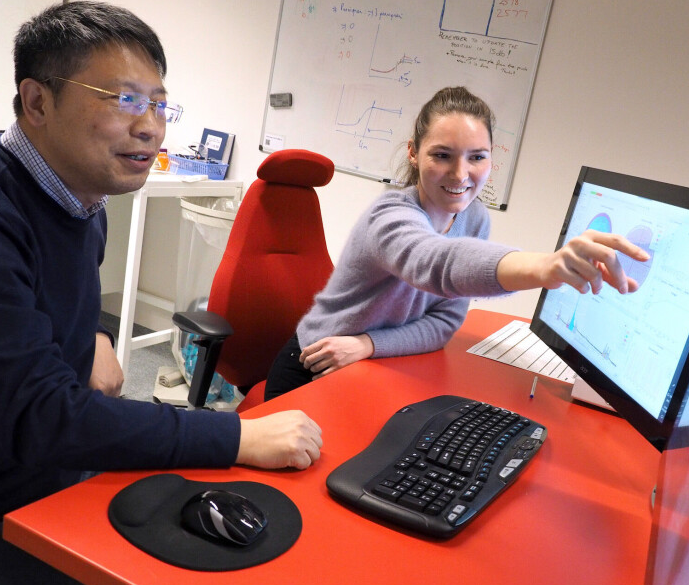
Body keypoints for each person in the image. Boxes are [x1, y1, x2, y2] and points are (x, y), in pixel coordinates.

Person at [0, 1, 321, 585]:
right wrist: (234, 436)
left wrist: (95, 337)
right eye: (124, 99)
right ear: (38, 101)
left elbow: (42, 298)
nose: (152, 126)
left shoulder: (78, 196)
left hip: (48, 470)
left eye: (158, 104)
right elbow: (42, 418)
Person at [265, 86, 650, 399]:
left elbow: (444, 322)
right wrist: (545, 267)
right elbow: (437, 263)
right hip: (315, 365)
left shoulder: (474, 218)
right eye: (442, 155)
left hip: (369, 360)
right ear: (414, 153)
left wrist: (369, 343)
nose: (461, 174)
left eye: (476, 157)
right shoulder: (388, 216)